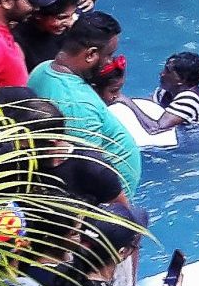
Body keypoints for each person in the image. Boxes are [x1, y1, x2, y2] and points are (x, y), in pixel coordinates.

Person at [27, 11, 143, 196]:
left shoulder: (43, 69)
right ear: (90, 54)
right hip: (107, 207)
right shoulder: (77, 106)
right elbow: (87, 172)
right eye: (109, 55)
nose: (109, 62)